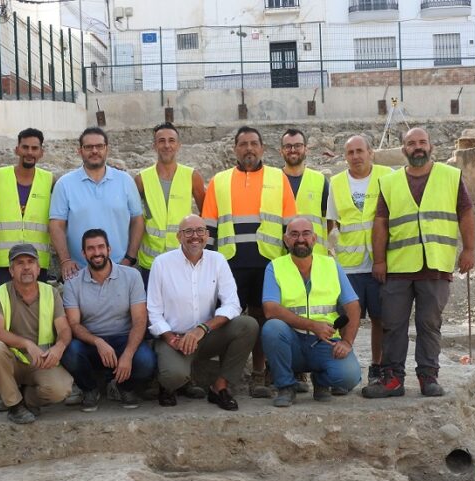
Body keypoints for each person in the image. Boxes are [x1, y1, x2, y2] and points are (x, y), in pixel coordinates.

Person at [362, 127, 475, 398]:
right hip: (398, 266)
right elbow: (381, 223)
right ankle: (392, 379)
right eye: (411, 143)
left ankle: (428, 377)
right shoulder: (389, 183)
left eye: (422, 142)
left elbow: (466, 213)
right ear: (403, 149)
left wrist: (469, 249)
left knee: (429, 324)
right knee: (393, 324)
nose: (417, 147)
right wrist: (379, 260)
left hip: (436, 265)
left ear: (431, 146)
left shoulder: (450, 176)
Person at [202, 126, 297, 398]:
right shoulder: (219, 181)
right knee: (226, 319)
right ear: (235, 149)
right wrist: (207, 263)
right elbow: (209, 226)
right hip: (230, 265)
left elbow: (289, 225)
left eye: (254, 143)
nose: (249, 149)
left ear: (262, 148)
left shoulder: (279, 179)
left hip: (267, 263)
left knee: (263, 319)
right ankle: (225, 378)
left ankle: (259, 374)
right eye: (243, 144)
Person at [148, 215, 258, 410]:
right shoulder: (162, 263)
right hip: (174, 338)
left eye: (200, 231)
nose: (195, 236)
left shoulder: (218, 260)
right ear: (178, 237)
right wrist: (170, 337)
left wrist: (202, 329)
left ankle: (219, 387)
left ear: (207, 235)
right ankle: (169, 386)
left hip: (206, 335)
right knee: (173, 376)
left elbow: (233, 304)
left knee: (248, 325)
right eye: (188, 232)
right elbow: (154, 311)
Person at [260, 217, 362, 407]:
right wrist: (312, 325)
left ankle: (321, 380)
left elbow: (353, 305)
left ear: (314, 238)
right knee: (272, 328)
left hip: (325, 341)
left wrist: (347, 342)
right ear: (286, 239)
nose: (300, 239)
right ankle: (286, 386)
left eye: (306, 234)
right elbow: (270, 309)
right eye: (294, 234)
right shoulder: (275, 266)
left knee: (349, 377)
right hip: (292, 342)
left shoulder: (331, 265)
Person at [60, 229, 156, 410]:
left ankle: (122, 387)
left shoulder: (131, 276)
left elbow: (140, 320)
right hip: (91, 344)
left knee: (146, 361)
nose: (97, 253)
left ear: (109, 249)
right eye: (91, 249)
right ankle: (89, 389)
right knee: (70, 351)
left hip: (124, 340)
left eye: (100, 247)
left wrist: (127, 355)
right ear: (83, 253)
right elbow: (73, 323)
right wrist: (97, 341)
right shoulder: (73, 283)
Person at [0, 244, 74, 424]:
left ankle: (18, 397)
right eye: (20, 263)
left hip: (40, 362)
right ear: (11, 270)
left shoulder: (51, 293)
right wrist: (27, 344)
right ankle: (15, 407)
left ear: (38, 269)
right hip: (10, 361)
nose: (26, 267)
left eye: (31, 262)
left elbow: (64, 329)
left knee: (61, 389)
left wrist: (59, 347)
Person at [327, 135, 393, 385]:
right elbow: (330, 223)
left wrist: (383, 258)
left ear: (371, 152)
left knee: (380, 318)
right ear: (345, 157)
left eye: (360, 151)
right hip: (349, 266)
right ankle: (344, 366)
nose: (356, 156)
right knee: (348, 318)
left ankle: (377, 366)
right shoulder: (336, 183)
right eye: (350, 152)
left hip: (381, 262)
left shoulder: (387, 176)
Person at [49, 127, 144, 281]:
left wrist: (130, 259)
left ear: (107, 149)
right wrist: (65, 260)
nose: (94, 151)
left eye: (99, 146)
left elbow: (137, 221)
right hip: (79, 272)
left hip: (120, 268)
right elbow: (56, 225)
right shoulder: (65, 184)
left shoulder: (125, 181)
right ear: (79, 151)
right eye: (88, 147)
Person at [134, 122, 206, 287]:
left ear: (178, 145)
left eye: (171, 140)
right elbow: (134, 219)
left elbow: (205, 214)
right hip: (150, 264)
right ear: (155, 145)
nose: (167, 145)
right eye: (161, 141)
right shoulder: (141, 179)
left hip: (183, 260)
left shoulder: (192, 176)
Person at [0, 128, 54, 284]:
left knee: (35, 309)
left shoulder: (49, 180)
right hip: (5, 263)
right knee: (5, 308)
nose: (29, 152)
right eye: (25, 147)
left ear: (41, 152)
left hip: (36, 263)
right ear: (17, 150)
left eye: (34, 148)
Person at [280, 128, 329, 256]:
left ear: (306, 149)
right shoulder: (272, 181)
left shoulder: (320, 180)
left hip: (314, 255)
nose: (293, 150)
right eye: (288, 146)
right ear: (281, 151)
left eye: (298, 145)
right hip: (281, 257)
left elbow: (330, 221)